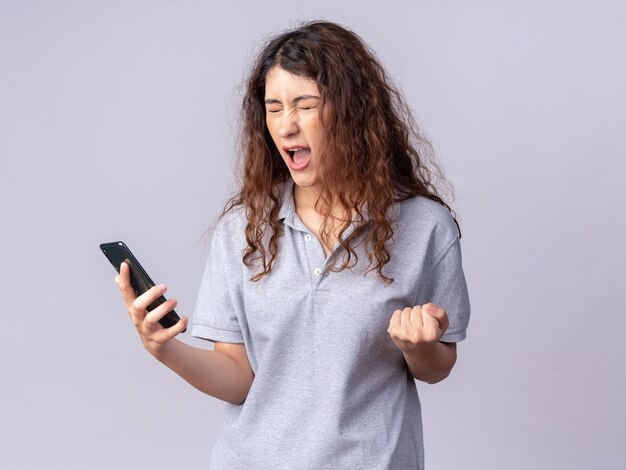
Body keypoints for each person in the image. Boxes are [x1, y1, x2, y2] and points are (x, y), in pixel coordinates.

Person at [114, 21, 470, 469]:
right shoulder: (243, 229)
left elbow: (439, 366)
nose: (286, 126)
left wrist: (420, 347)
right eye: (274, 107)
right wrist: (163, 348)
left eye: (305, 105)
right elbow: (241, 379)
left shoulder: (424, 226)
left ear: (353, 111)